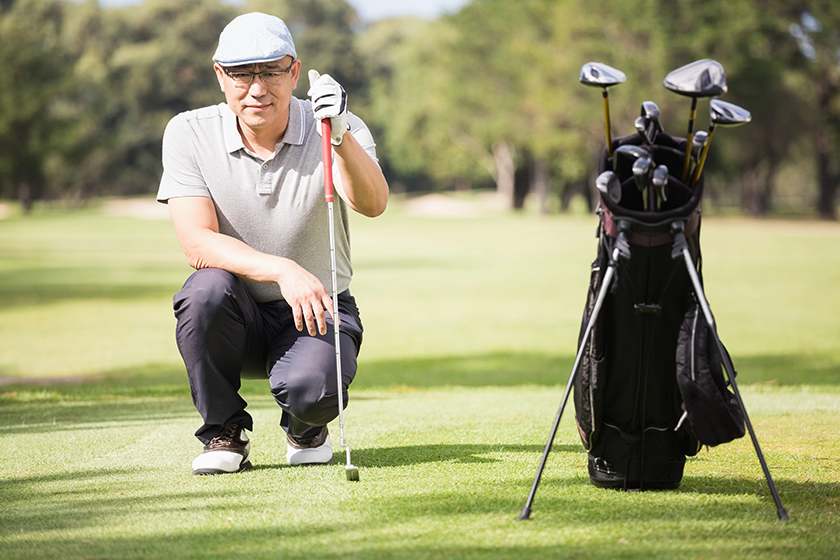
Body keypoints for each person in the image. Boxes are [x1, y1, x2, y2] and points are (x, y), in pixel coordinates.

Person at [156, 12, 389, 475]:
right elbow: (197, 243)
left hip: (318, 307)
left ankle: (304, 426)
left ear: (295, 72)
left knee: (314, 391)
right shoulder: (188, 131)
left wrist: (339, 135)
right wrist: (283, 269)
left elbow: (372, 203)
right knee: (203, 290)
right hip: (235, 311)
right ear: (220, 76)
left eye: (270, 71)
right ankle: (223, 431)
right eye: (242, 74)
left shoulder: (337, 124)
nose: (257, 88)